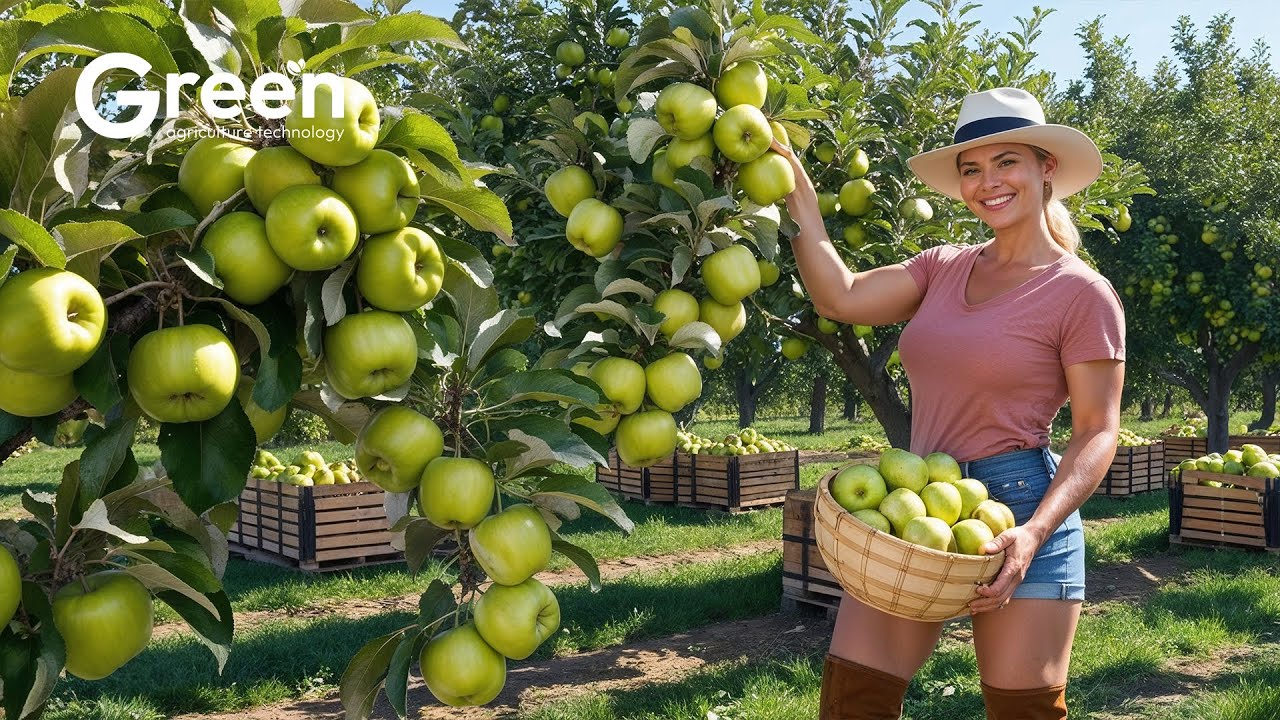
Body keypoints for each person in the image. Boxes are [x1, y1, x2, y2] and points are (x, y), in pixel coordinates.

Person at [774, 87, 1126, 719]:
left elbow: (1097, 430)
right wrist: (793, 189)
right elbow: (840, 296)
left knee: (1024, 713)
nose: (988, 182)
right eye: (971, 169)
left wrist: (1035, 533)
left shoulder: (1082, 294)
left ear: (1046, 167)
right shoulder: (942, 267)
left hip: (1019, 509)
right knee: (854, 703)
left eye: (1006, 162)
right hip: (912, 502)